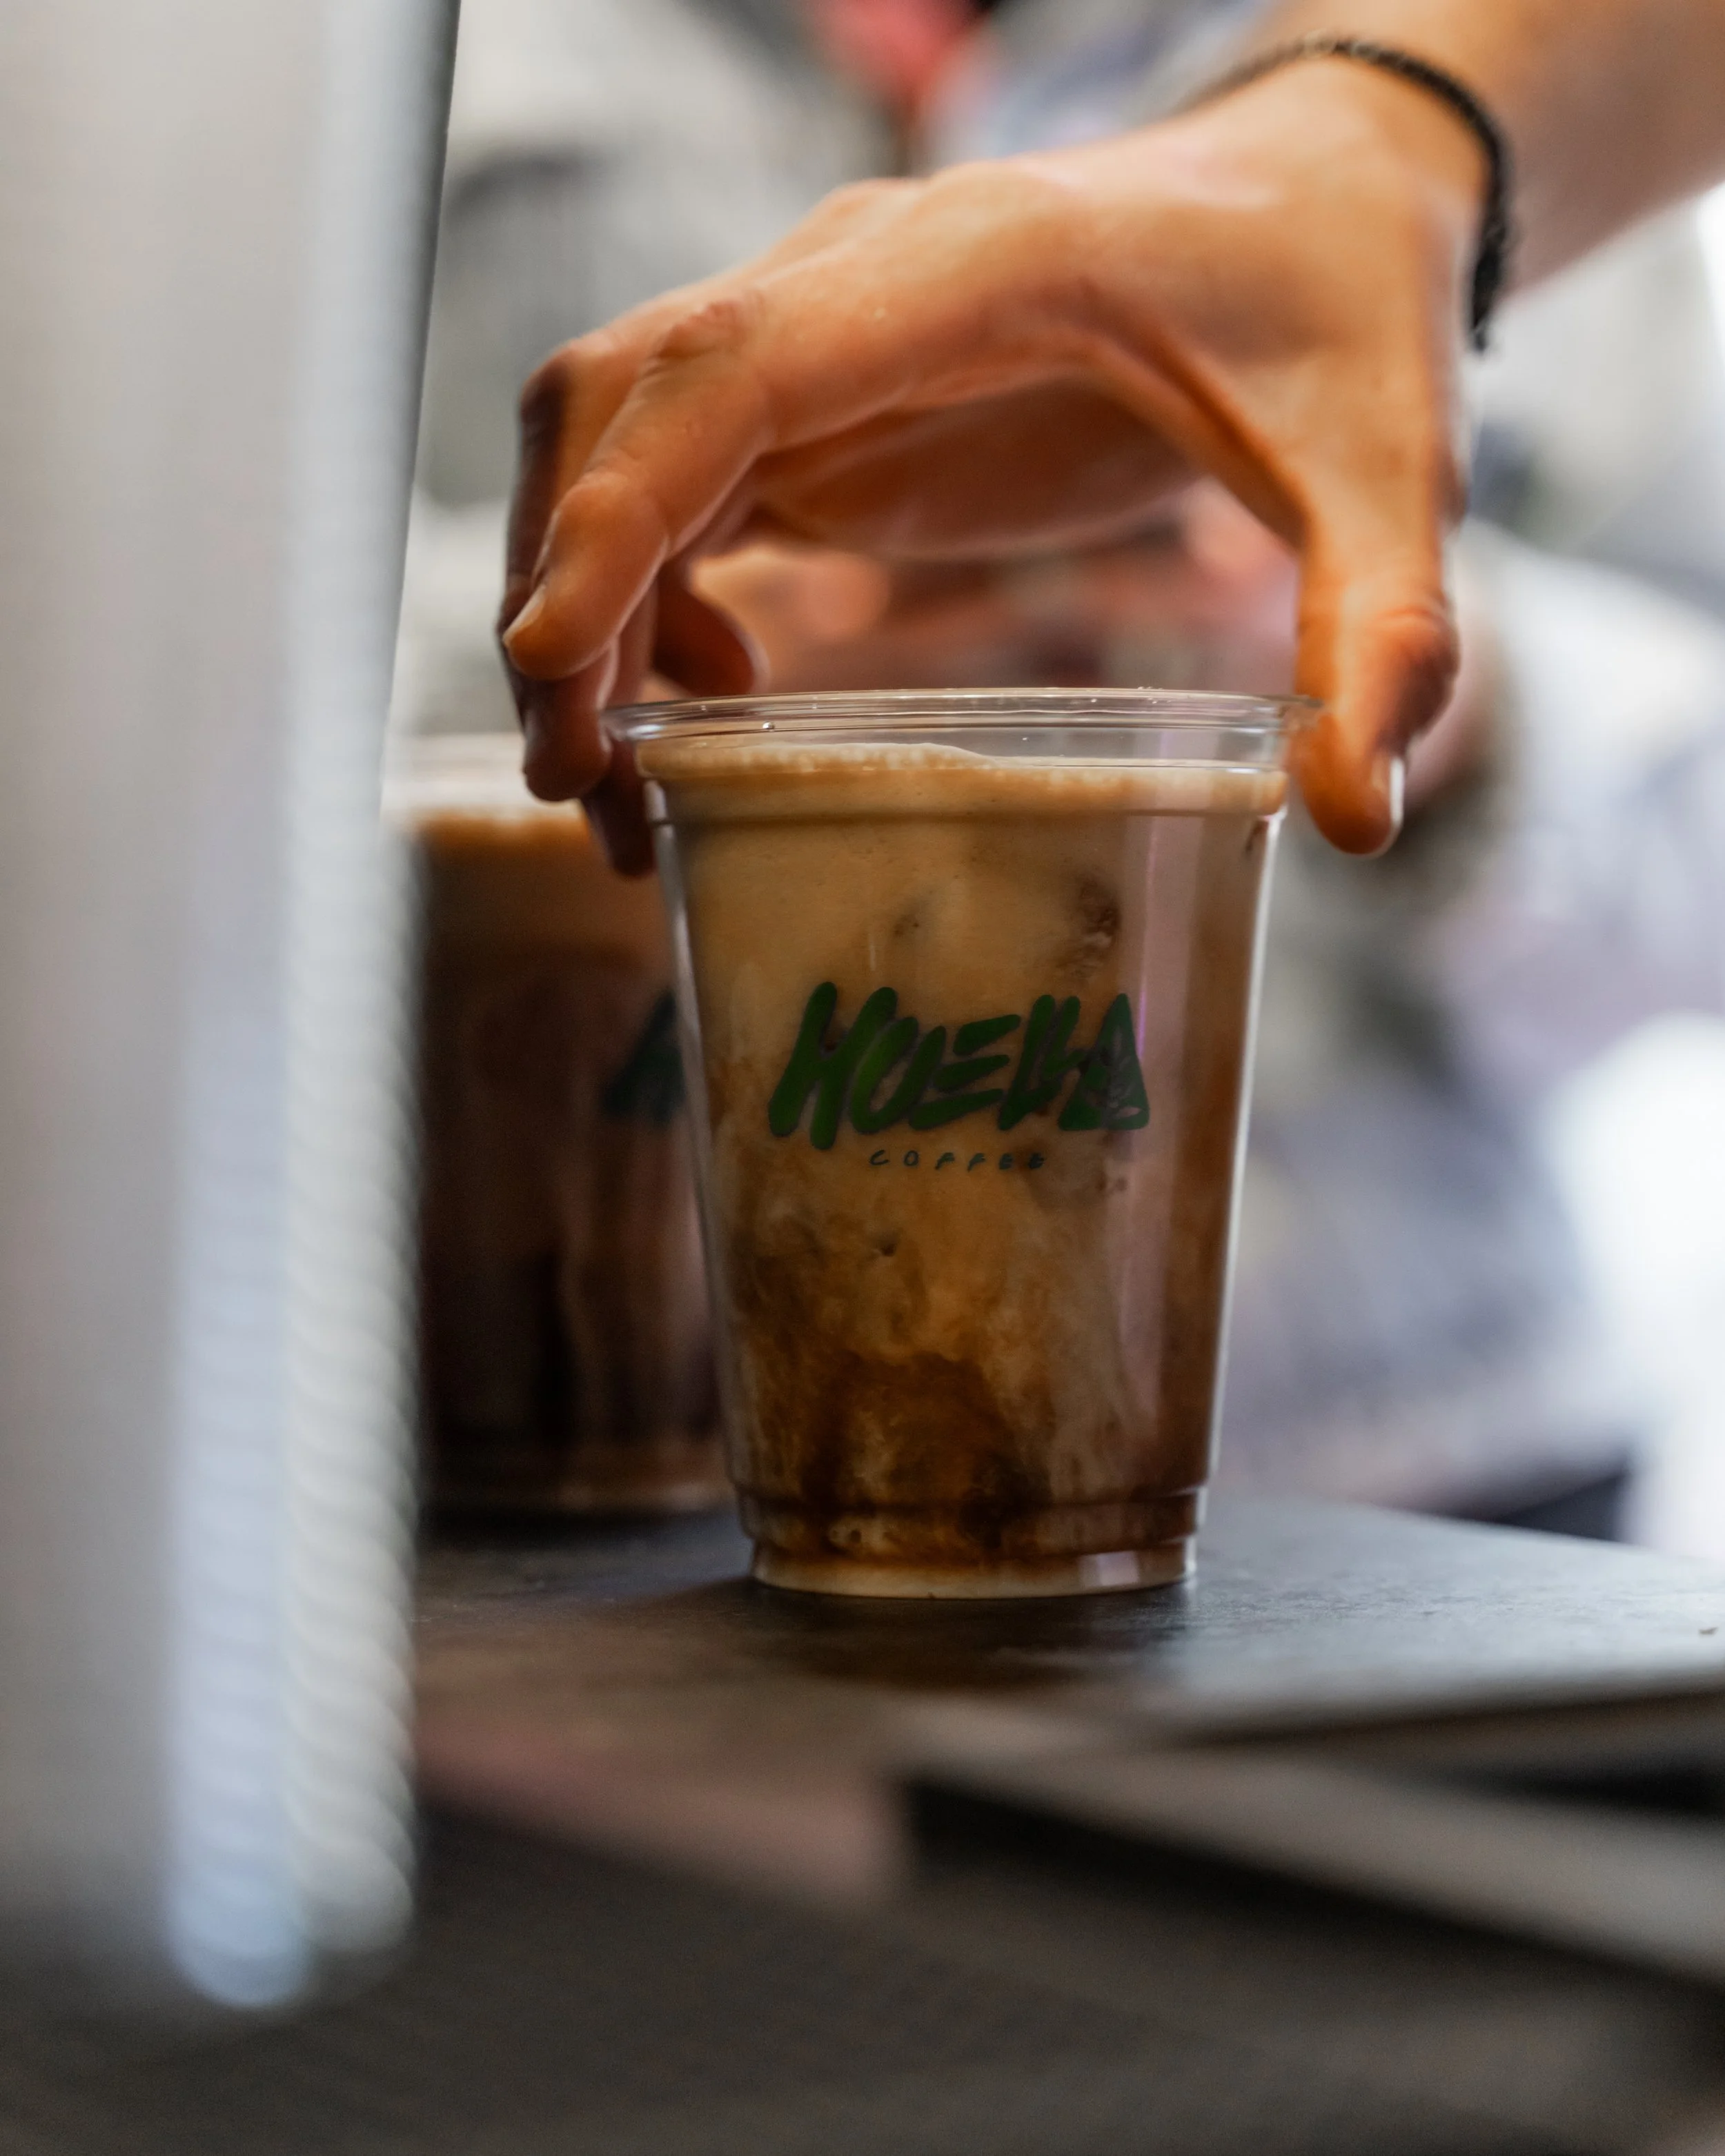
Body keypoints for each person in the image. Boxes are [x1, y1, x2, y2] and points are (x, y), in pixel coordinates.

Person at [412, 0, 1725, 1531]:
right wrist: (729, 658)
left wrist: (1443, 690)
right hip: (656, 1470)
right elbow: (209, 724)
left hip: (1449, 1468)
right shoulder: (420, 58)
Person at [495, 0, 1725, 869]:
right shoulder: (458, 49)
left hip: (1332, 1146)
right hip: (655, 1097)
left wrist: (1458, 707)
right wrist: (733, 666)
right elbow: (432, 676)